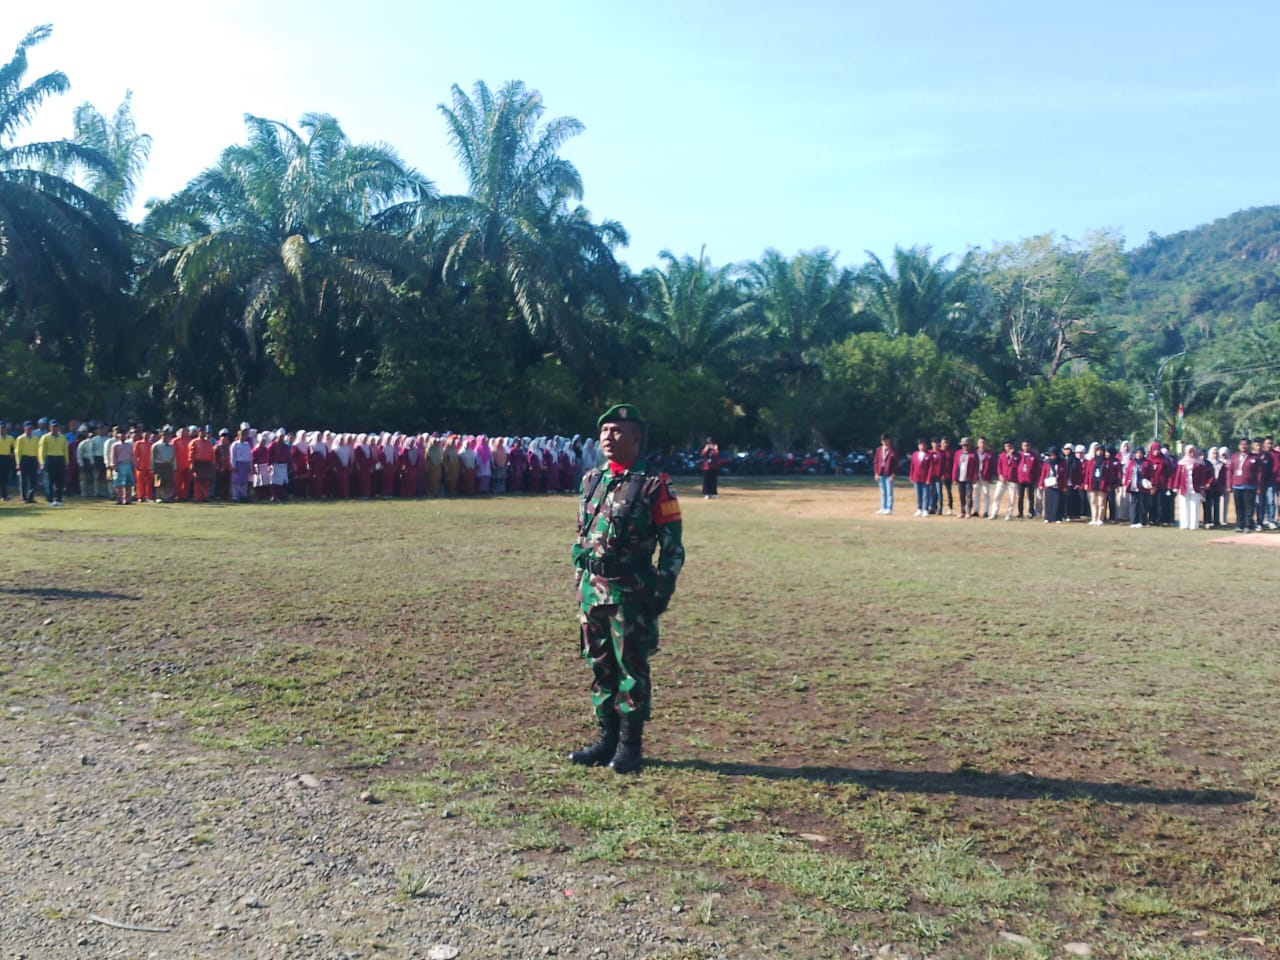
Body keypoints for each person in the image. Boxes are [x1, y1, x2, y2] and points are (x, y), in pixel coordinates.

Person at [569, 403, 684, 775]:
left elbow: (672, 547)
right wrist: (579, 582)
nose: (608, 437)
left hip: (630, 593)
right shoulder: (591, 480)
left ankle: (629, 746)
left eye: (617, 431)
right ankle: (605, 741)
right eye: (604, 431)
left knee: (631, 668)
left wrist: (661, 592)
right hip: (592, 591)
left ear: (637, 438)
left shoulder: (655, 485)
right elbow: (581, 536)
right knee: (599, 666)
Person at [1173, 445, 1211, 530]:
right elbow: (1178, 475)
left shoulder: (1199, 463)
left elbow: (1203, 476)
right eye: (1190, 451)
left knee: (1194, 506)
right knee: (1184, 506)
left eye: (1193, 451)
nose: (1192, 453)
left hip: (1195, 488)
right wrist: (1176, 486)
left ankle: (1194, 525)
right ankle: (1184, 525)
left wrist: (1202, 486)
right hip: (1184, 487)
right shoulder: (1182, 463)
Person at [38, 419, 68, 506]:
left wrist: (66, 462)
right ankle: (50, 499)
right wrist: (42, 463)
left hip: (60, 458)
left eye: (56, 427)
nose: (55, 428)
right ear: (50, 427)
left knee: (60, 480)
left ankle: (59, 499)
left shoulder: (62, 437)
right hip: (50, 458)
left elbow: (65, 450)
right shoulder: (45, 437)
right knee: (49, 480)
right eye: (53, 427)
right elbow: (42, 451)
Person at [989, 440, 1018, 520]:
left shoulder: (1017, 456)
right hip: (1002, 480)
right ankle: (994, 513)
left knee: (1011, 498)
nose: (1008, 448)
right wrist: (1000, 475)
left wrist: (1012, 456)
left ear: (1012, 446)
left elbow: (1016, 466)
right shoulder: (1002, 455)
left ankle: (1009, 514)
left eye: (1009, 446)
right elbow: (999, 467)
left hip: (1012, 480)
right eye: (1006, 446)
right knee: (996, 496)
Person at [15, 421, 41, 503]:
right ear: (24, 428)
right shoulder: (20, 438)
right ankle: (24, 498)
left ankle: (31, 497)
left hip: (33, 459)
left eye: (30, 428)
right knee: (23, 479)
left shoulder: (35, 438)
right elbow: (18, 451)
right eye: (27, 428)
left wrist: (39, 461)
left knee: (34, 479)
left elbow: (38, 450)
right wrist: (18, 462)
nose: (29, 429)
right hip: (24, 458)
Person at [952, 437, 978, 518]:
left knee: (969, 495)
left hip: (969, 478)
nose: (964, 447)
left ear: (970, 445)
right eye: (963, 445)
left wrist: (975, 477)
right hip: (960, 477)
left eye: (966, 445)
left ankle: (968, 512)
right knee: (961, 495)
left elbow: (976, 467)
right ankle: (962, 511)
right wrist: (954, 477)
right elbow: (955, 466)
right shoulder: (957, 453)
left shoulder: (973, 454)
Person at [110, 426, 135, 504]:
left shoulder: (129, 446)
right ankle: (119, 499)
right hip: (119, 465)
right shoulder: (115, 445)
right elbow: (113, 456)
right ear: (118, 436)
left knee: (128, 483)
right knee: (119, 483)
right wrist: (114, 465)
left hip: (128, 465)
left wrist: (133, 465)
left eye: (124, 435)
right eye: (121, 435)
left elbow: (132, 456)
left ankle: (128, 499)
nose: (123, 436)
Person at [872, 434, 895, 515]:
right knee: (883, 492)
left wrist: (893, 474)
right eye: (883, 440)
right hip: (880, 473)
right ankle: (883, 507)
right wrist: (876, 473)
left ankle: (889, 508)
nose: (884, 442)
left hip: (889, 473)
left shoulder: (892, 450)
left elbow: (895, 463)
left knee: (889, 492)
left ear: (888, 440)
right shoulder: (878, 450)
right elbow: (876, 462)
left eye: (886, 440)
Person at [151, 428, 176, 501]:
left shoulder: (171, 446)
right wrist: (152, 467)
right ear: (162, 435)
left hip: (168, 465)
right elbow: (152, 457)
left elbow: (173, 457)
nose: (167, 437)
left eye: (169, 435)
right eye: (165, 435)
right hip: (159, 465)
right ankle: (159, 497)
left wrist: (174, 466)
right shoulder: (156, 445)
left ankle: (166, 497)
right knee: (159, 482)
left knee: (168, 482)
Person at [908, 438, 932, 516]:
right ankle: (919, 509)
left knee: (926, 494)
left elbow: (930, 468)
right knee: (918, 494)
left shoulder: (929, 455)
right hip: (916, 477)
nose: (921, 446)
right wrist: (911, 476)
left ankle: (925, 509)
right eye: (920, 445)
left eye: (923, 445)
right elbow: (912, 466)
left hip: (925, 478)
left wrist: (929, 478)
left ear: (926, 446)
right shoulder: (915, 454)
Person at [133, 428, 154, 502]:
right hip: (140, 465)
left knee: (149, 482)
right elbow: (135, 455)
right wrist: (136, 464)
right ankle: (140, 496)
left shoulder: (151, 444)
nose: (146, 435)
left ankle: (148, 496)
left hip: (149, 466)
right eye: (145, 434)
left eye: (148, 434)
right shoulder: (138, 443)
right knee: (140, 482)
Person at [0, 422, 13, 501]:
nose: (2, 430)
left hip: (6, 458)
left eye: (3, 428)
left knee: (5, 478)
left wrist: (12, 453)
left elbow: (15, 447)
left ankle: (4, 495)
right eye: (1, 428)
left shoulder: (10, 438)